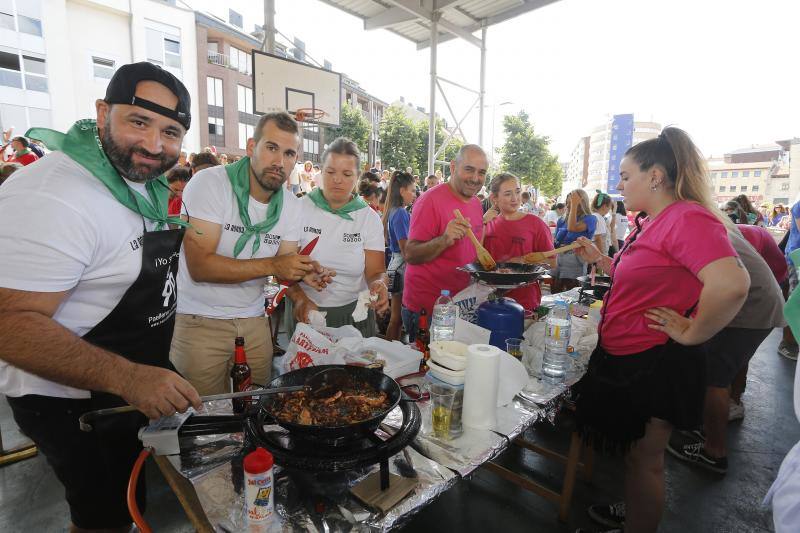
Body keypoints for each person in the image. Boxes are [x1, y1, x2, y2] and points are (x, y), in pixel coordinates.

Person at [0, 62, 202, 531]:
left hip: (123, 387)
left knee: (127, 503)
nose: (154, 145)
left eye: (170, 132)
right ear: (102, 112)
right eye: (138, 122)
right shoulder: (55, 194)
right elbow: (8, 323)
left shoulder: (140, 183)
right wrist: (128, 377)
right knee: (103, 519)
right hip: (72, 404)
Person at [572, 127, 749, 533]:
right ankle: (634, 518)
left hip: (655, 361)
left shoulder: (687, 217)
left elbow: (733, 283)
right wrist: (602, 259)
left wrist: (693, 330)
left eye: (625, 175)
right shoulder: (654, 221)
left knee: (647, 462)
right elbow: (644, 277)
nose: (619, 184)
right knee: (637, 458)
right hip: (633, 355)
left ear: (655, 176)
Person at [170, 112, 329, 394]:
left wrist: (303, 281)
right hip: (199, 321)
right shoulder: (210, 184)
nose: (279, 162)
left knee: (256, 412)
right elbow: (200, 266)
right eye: (271, 148)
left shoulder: (292, 205)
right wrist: (276, 265)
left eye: (289, 153)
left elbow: (284, 270)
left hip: (254, 322)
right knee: (205, 421)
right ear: (251, 146)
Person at [666, 223, 784, 474]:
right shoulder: (707, 221)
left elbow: (722, 285)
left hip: (749, 308)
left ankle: (713, 452)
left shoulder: (691, 226)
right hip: (759, 303)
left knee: (714, 378)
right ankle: (712, 419)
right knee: (724, 368)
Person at [285, 137, 388, 338]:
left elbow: (376, 271)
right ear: (321, 171)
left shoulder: (368, 218)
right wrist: (298, 297)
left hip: (355, 315)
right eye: (330, 172)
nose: (337, 180)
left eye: (347, 174)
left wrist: (381, 284)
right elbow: (282, 267)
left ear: (358, 176)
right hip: (307, 311)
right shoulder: (298, 208)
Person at [402, 145, 487, 340]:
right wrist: (445, 240)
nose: (475, 178)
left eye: (481, 173)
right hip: (429, 308)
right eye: (469, 169)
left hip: (462, 304)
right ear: (453, 167)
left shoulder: (475, 203)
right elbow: (411, 254)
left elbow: (472, 251)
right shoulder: (429, 201)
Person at [482, 173, 555, 312]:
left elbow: (552, 262)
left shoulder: (536, 224)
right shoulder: (486, 224)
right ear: (494, 198)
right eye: (508, 194)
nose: (515, 198)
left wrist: (522, 260)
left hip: (524, 302)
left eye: (517, 192)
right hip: (488, 300)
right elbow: (474, 259)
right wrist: (482, 224)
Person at [384, 171, 416, 340]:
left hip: (395, 265)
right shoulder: (401, 213)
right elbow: (406, 249)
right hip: (401, 267)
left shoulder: (393, 211)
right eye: (412, 190)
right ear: (402, 191)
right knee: (396, 319)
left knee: (395, 319)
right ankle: (391, 353)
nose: (414, 194)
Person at [552, 189, 596, 293]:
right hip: (559, 259)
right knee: (555, 291)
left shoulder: (590, 219)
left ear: (582, 203)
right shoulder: (561, 220)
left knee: (573, 292)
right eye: (567, 202)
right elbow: (556, 242)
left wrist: (574, 205)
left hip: (576, 262)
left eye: (571, 203)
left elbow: (572, 228)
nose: (568, 205)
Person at [591, 190, 613, 256]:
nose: (610, 209)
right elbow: (598, 239)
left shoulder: (595, 216)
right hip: (598, 254)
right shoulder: (599, 218)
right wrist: (602, 257)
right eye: (609, 206)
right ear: (604, 206)